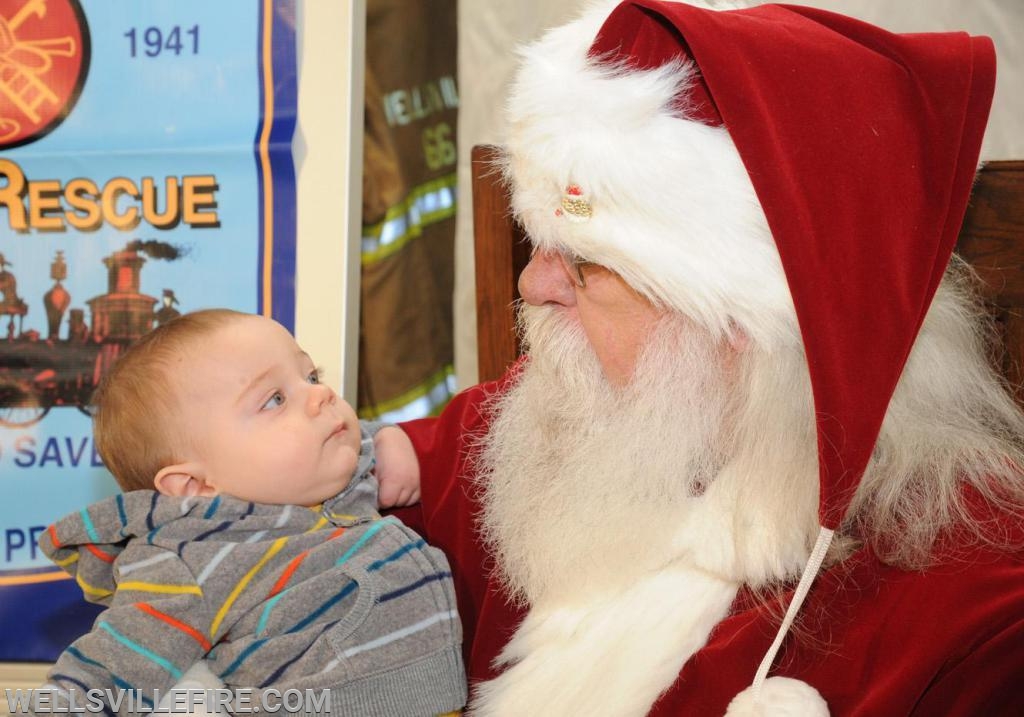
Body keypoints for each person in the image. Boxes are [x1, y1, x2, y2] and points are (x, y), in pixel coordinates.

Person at [385, 1, 1024, 715]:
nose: (532, 284)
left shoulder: (974, 616)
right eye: (537, 243)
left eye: (584, 265)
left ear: (744, 321)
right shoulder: (551, 419)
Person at [33, 309, 466, 717]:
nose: (320, 395)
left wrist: (396, 443)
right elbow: (106, 669)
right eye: (274, 399)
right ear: (195, 487)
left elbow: (367, 439)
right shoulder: (188, 558)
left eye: (310, 375)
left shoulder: (333, 471)